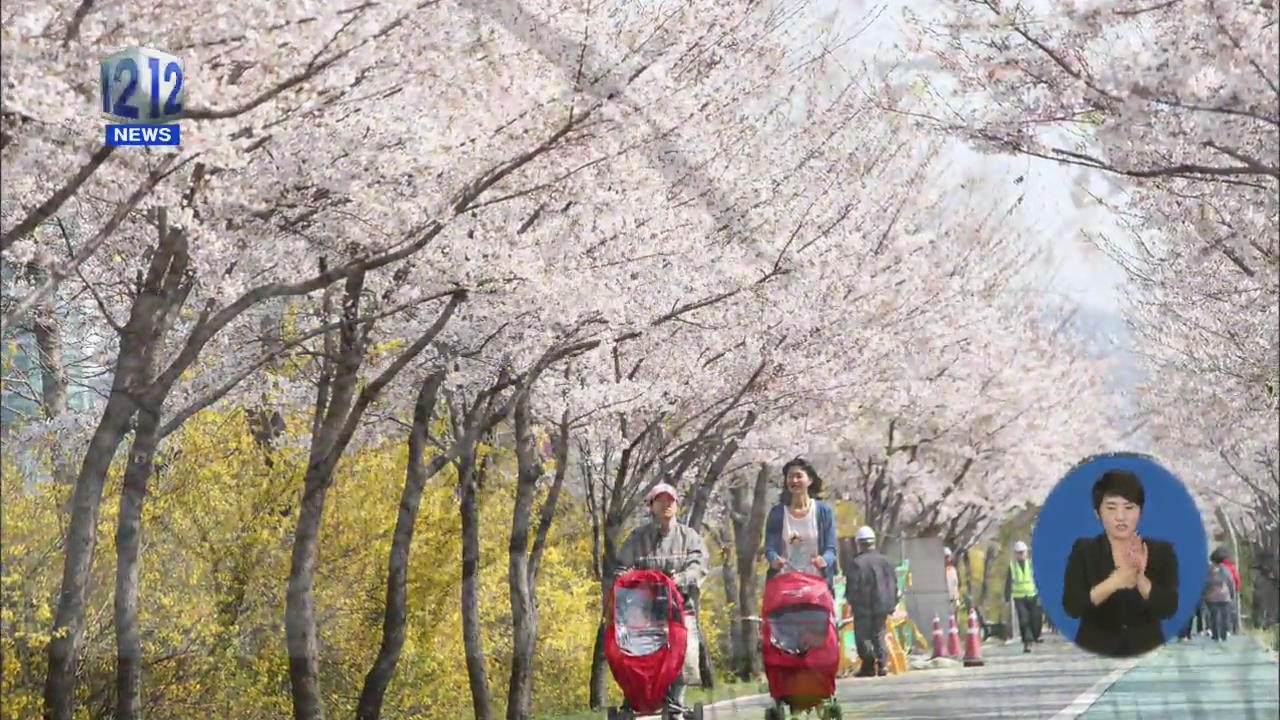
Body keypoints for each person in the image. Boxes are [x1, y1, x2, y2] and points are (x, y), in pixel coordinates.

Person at [615, 482, 709, 718]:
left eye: (670, 500)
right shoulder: (638, 537)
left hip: (679, 609)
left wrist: (683, 578)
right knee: (634, 655)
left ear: (677, 505)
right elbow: (621, 567)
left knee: (684, 656)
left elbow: (699, 566)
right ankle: (637, 697)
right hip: (644, 612)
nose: (666, 505)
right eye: (660, 500)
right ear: (651, 506)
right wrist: (630, 580)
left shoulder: (689, 537)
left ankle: (676, 702)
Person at [1062, 469, 1179, 657]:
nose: (1120, 516)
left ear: (1140, 511)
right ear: (1097, 512)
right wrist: (1114, 582)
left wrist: (1140, 580)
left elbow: (1168, 608)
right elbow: (1073, 606)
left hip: (1147, 652)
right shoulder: (1084, 550)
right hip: (1094, 652)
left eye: (1129, 507)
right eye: (1111, 508)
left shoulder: (1161, 552)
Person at [763, 457, 839, 599]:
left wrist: (824, 560)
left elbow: (831, 549)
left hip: (816, 585)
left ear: (809, 481)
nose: (794, 481)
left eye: (799, 476)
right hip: (785, 584)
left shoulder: (823, 511)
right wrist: (774, 559)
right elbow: (769, 547)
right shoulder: (778, 513)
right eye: (790, 477)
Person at [845, 526, 897, 677]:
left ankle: (868, 665)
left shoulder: (856, 563)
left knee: (863, 636)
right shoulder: (885, 561)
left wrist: (851, 601)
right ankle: (882, 664)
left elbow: (852, 587)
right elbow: (893, 583)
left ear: (858, 543)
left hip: (863, 606)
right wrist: (892, 603)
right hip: (883, 604)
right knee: (879, 633)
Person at [1004, 540, 1043, 653]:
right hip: (1019, 598)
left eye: (1022, 552)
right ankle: (1027, 642)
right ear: (1015, 554)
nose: (1020, 554)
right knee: (1024, 620)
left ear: (1026, 553)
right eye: (1018, 552)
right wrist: (1007, 596)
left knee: (1035, 619)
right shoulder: (1012, 567)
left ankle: (1035, 636)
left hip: (1033, 595)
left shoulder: (1031, 564)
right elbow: (1008, 582)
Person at [1202, 554, 1234, 642]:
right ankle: (1224, 635)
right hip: (1224, 596)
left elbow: (1204, 583)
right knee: (1224, 616)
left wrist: (1203, 594)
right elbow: (1230, 582)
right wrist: (1231, 594)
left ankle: (1215, 635)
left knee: (1214, 616)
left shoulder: (1208, 570)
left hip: (1211, 597)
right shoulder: (1225, 570)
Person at [944, 547, 961, 615]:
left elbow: (955, 585)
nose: (947, 559)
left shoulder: (952, 570)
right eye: (945, 557)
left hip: (951, 600)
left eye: (948, 557)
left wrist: (957, 599)